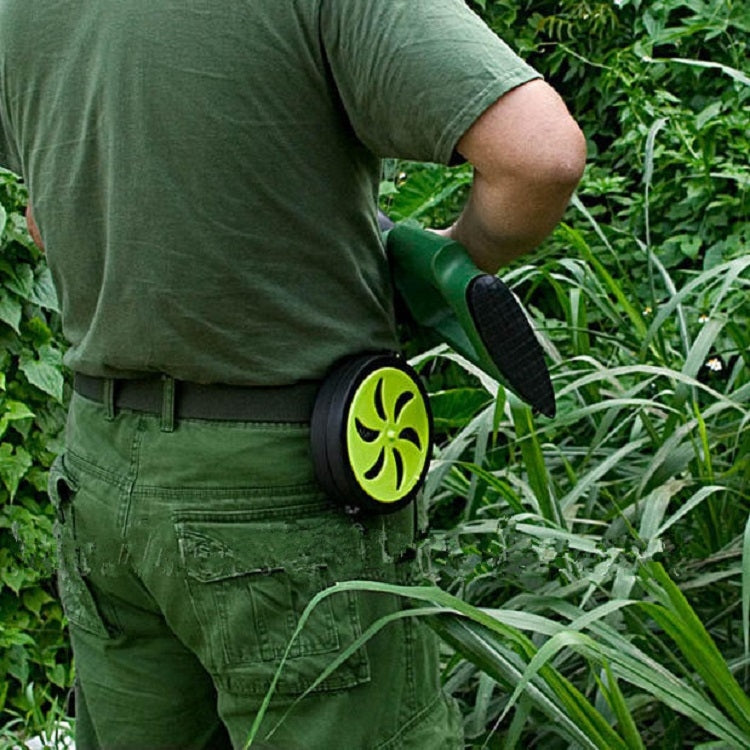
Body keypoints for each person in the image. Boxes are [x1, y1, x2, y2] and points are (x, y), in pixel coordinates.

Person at [0, 1, 586, 748]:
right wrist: (450, 251)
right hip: (282, 486)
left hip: (101, 474)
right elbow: (539, 154)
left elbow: (45, 219)